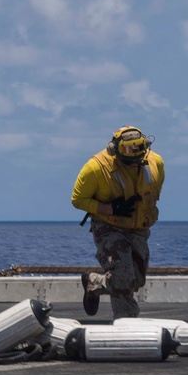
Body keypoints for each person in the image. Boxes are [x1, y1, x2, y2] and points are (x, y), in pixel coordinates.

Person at [71, 126, 165, 318]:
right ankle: (127, 324)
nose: (132, 163)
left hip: (139, 228)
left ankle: (94, 282)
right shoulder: (95, 168)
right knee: (123, 279)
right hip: (109, 227)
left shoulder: (157, 162)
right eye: (127, 160)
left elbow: (155, 192)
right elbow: (77, 199)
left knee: (136, 280)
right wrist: (111, 208)